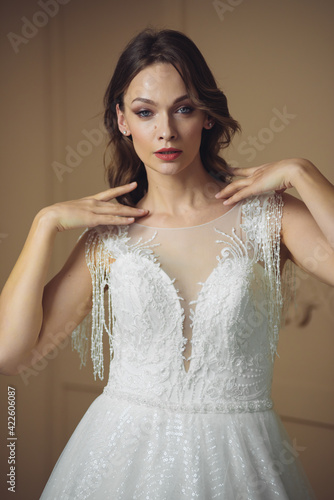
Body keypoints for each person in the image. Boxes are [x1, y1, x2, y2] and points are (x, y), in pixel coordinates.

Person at [0, 27, 332, 499]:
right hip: (119, 459)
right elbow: (11, 355)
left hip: (242, 463)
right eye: (144, 112)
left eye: (184, 108)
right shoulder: (109, 237)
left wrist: (303, 171)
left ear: (207, 116)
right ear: (121, 120)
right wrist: (44, 223)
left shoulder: (267, 216)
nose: (166, 131)